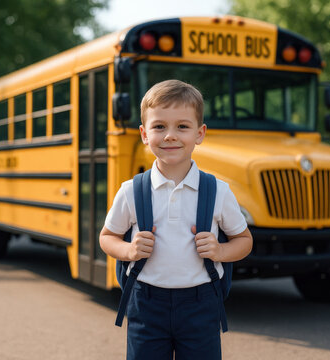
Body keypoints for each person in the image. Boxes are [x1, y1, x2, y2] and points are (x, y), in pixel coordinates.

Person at [99, 79, 253, 360]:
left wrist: (220, 250)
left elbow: (244, 241)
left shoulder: (218, 191)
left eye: (182, 126)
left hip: (201, 302)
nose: (170, 135)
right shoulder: (132, 190)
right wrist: (129, 250)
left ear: (200, 133)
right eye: (159, 127)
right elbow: (107, 237)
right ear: (144, 134)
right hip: (146, 303)